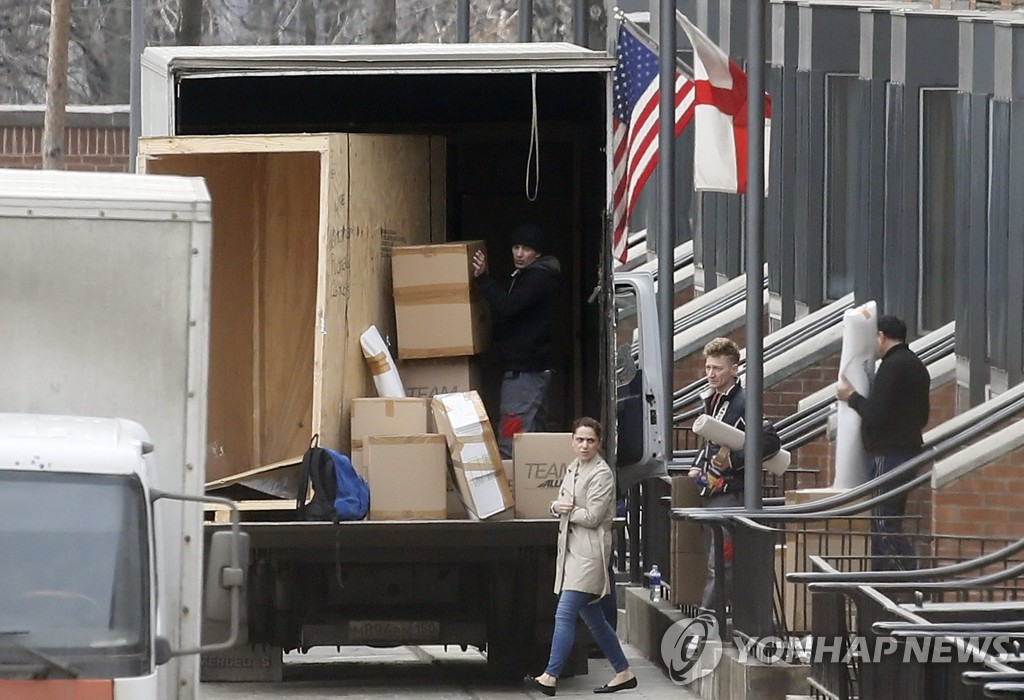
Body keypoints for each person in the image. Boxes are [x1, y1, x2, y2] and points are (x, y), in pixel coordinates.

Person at [525, 417, 637, 696]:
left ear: (599, 443)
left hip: (589, 554)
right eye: (580, 439)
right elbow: (561, 501)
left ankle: (550, 676)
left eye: (590, 440)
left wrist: (566, 510)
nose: (585, 445)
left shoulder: (602, 473)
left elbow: (593, 516)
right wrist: (555, 506)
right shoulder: (574, 467)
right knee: (593, 618)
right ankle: (624, 672)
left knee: (564, 613)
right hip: (572, 552)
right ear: (572, 441)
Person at [687, 337, 780, 612]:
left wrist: (733, 462)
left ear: (734, 369)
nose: (711, 374)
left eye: (717, 368)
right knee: (720, 562)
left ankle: (706, 622)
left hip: (730, 493)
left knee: (722, 563)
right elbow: (713, 442)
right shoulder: (715, 399)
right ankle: (733, 618)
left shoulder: (742, 401)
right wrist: (699, 463)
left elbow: (771, 442)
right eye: (707, 368)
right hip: (714, 490)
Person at [836, 314, 930, 571]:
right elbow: (923, 416)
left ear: (881, 337)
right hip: (909, 451)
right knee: (890, 521)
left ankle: (914, 584)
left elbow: (875, 413)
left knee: (883, 526)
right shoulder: (916, 365)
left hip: (887, 454)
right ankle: (885, 587)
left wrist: (852, 396)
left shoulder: (891, 367)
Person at [471, 224, 560, 458]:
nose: (519, 254)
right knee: (532, 436)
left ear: (537, 253)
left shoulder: (537, 278)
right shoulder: (531, 276)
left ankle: (512, 485)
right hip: (535, 368)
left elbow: (508, 307)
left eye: (527, 249)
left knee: (511, 434)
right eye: (516, 247)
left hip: (525, 372)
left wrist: (483, 280)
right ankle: (531, 487)